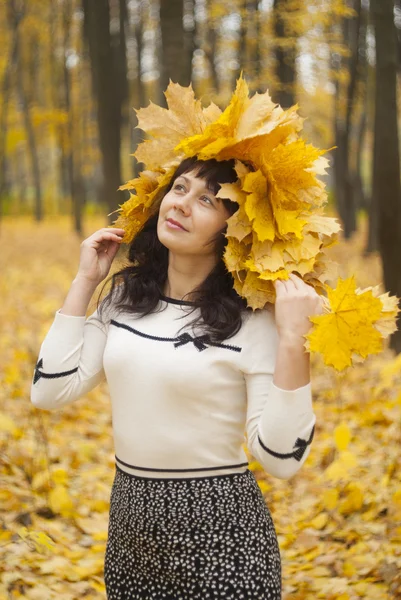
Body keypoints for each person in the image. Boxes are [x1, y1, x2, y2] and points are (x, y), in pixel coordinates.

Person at [31, 156, 323, 600]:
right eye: (180, 188)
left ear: (237, 229)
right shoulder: (126, 299)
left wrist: (292, 341)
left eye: (207, 199)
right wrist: (85, 281)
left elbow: (282, 460)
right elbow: (49, 391)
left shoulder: (256, 323)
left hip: (224, 542)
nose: (183, 204)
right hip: (132, 538)